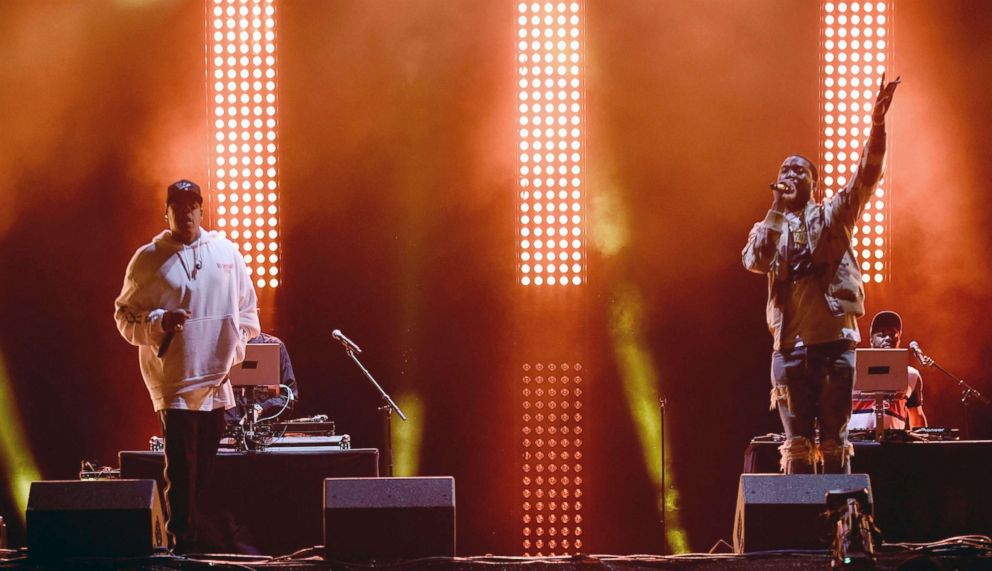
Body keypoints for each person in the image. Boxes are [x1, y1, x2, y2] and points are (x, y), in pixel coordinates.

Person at [743, 75, 900, 474]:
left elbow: (866, 177)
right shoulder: (767, 227)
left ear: (814, 182)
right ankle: (800, 529)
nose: (791, 176)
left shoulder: (832, 217)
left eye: (800, 171)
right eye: (785, 171)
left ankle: (840, 533)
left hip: (834, 344)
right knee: (795, 446)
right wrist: (775, 210)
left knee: (835, 443)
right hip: (789, 347)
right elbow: (756, 260)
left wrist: (877, 124)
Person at [115, 179, 260, 551]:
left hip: (215, 380)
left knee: (206, 470)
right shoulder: (147, 260)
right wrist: (160, 322)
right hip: (175, 381)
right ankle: (184, 543)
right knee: (181, 467)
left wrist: (236, 351)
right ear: (166, 212)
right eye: (177, 206)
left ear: (201, 210)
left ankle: (201, 540)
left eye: (192, 205)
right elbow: (124, 316)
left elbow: (247, 309)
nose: (186, 212)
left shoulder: (227, 253)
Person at [850, 311, 927, 431]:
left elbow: (916, 416)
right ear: (871, 340)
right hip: (856, 444)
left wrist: (922, 447)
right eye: (882, 334)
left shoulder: (911, 375)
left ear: (899, 340)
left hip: (893, 445)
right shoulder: (851, 369)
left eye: (893, 334)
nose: (888, 338)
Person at [224, 331, 299, 425]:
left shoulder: (274, 345)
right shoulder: (219, 346)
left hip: (262, 430)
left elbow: (289, 396)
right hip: (225, 431)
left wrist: (260, 408)